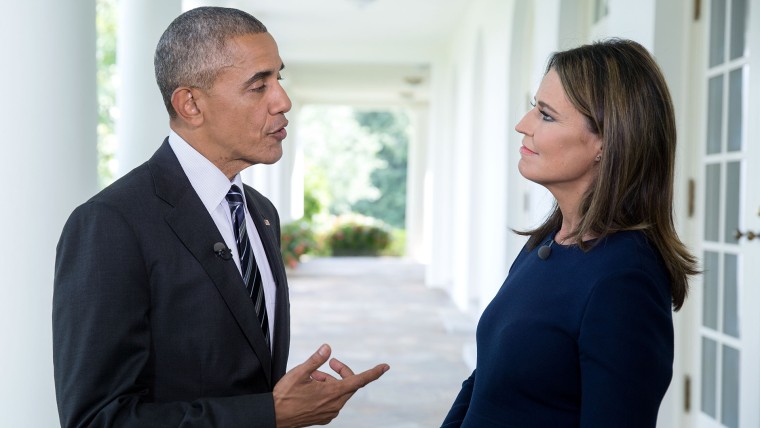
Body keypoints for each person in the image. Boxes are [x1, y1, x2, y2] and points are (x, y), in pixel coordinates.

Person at [53, 7, 388, 428]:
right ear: (190, 104)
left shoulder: (261, 213)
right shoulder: (110, 224)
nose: (283, 101)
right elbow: (97, 420)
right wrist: (269, 414)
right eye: (258, 85)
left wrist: (282, 400)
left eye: (278, 78)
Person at [441, 39, 700, 427]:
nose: (523, 125)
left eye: (546, 115)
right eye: (534, 107)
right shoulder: (546, 243)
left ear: (607, 140)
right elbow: (486, 381)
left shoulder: (625, 277)